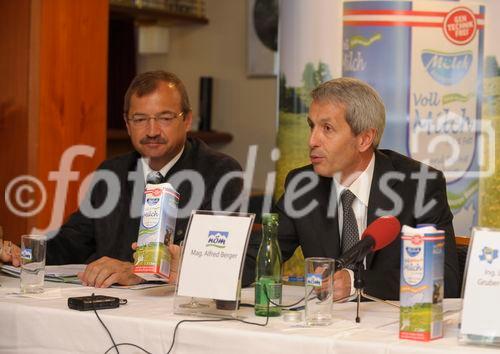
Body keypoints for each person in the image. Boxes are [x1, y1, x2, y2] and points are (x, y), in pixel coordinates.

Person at [2, 71, 243, 288]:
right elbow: (72, 242)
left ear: (187, 120)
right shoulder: (111, 172)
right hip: (110, 310)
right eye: (140, 119)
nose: (152, 131)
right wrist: (24, 253)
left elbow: (222, 260)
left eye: (165, 118)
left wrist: (139, 272)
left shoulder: (220, 173)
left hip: (176, 313)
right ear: (127, 124)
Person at [243, 77, 460, 300]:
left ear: (365, 139)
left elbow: (446, 279)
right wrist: (220, 269)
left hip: (392, 329)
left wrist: (357, 282)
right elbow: (258, 254)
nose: (312, 140)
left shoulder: (419, 185)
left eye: (327, 128)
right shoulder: (303, 185)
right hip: (325, 327)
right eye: (312, 126)